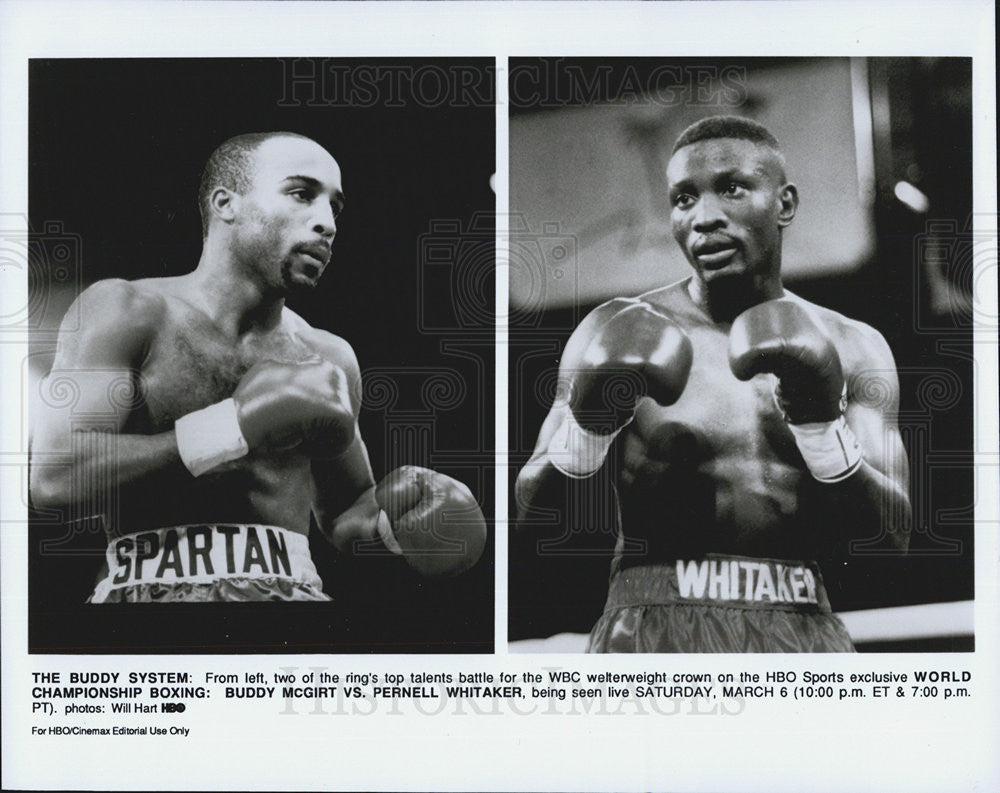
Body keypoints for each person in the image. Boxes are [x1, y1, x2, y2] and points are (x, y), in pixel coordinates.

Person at [30, 131, 485, 602]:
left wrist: (396, 526)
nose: (326, 223)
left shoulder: (328, 356)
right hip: (148, 594)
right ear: (227, 203)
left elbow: (346, 513)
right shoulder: (125, 310)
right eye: (302, 194)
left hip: (292, 599)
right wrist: (230, 429)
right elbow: (53, 476)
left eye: (336, 208)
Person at [515, 116, 911, 652]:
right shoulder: (615, 328)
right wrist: (589, 430)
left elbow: (894, 535)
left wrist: (822, 431)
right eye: (683, 199)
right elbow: (531, 515)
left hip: (798, 620)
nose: (704, 217)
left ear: (784, 204)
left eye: (731, 189)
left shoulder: (854, 345)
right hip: (653, 622)